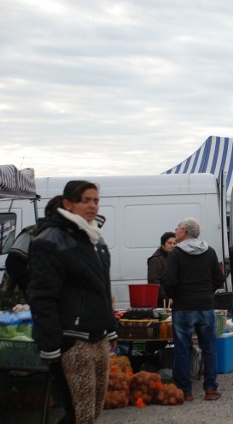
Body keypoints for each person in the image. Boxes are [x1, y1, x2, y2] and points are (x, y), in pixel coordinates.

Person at [28, 181, 117, 423]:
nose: (92, 206)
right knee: (79, 414)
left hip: (97, 335)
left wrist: (110, 327)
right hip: (72, 338)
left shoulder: (94, 237)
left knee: (93, 411)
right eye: (85, 200)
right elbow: (42, 295)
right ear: (68, 203)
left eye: (96, 200)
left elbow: (103, 288)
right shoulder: (50, 239)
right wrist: (50, 343)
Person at [163, 217, 225, 402]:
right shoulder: (210, 251)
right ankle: (211, 389)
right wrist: (207, 293)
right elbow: (218, 278)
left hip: (183, 307)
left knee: (182, 348)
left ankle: (185, 391)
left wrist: (176, 296)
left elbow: (169, 281)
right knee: (209, 348)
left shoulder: (176, 254)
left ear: (184, 232)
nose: (175, 231)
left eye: (177, 228)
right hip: (206, 306)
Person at [1, 195, 63, 310]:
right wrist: (33, 288)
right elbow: (13, 264)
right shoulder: (32, 232)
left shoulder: (62, 235)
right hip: (20, 300)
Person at [147, 231, 176, 308]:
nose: (172, 245)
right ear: (163, 244)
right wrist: (169, 300)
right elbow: (154, 283)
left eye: (174, 243)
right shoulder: (156, 260)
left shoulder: (172, 258)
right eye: (169, 243)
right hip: (161, 305)